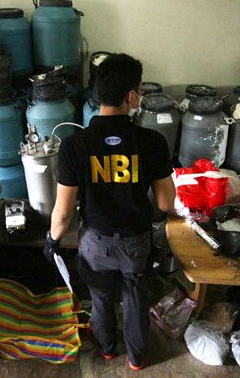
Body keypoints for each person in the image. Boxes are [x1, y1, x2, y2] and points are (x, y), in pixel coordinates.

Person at [44, 53, 176, 371]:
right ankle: (137, 358)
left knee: (100, 296)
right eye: (139, 91)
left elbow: (62, 212)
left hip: (96, 242)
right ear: (131, 96)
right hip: (134, 240)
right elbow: (165, 203)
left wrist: (52, 239)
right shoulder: (152, 141)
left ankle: (105, 349)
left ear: (98, 94)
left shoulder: (74, 145)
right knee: (134, 295)